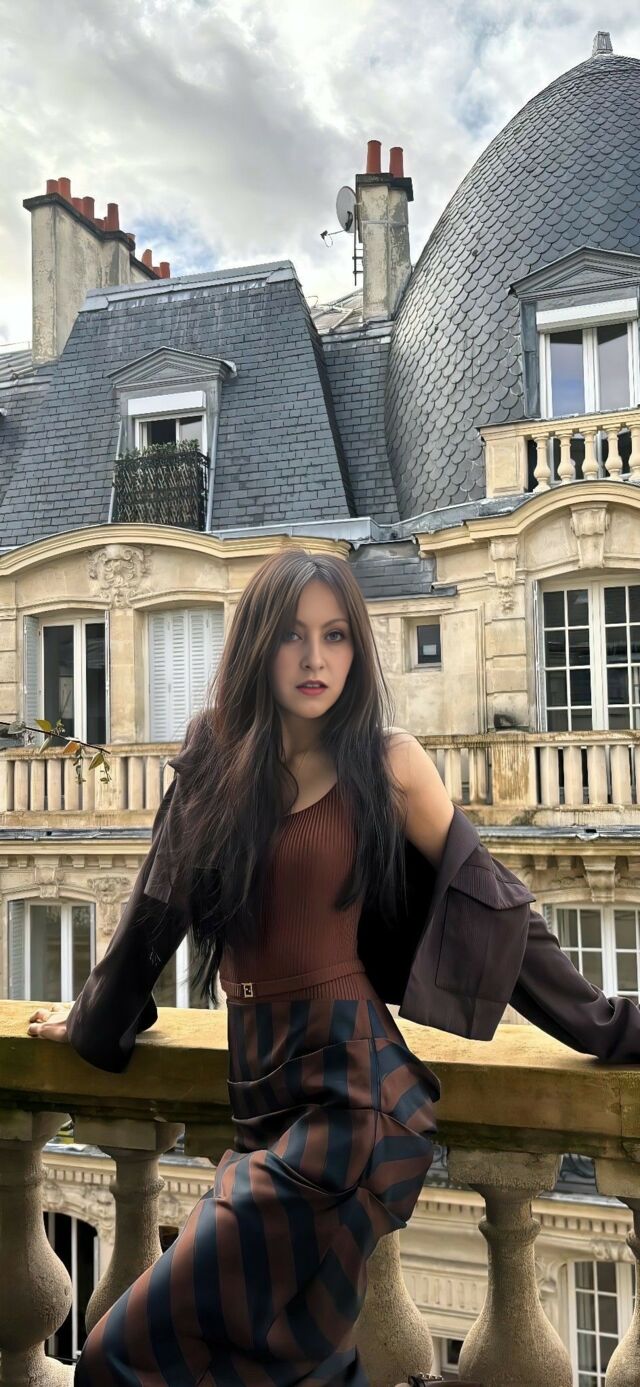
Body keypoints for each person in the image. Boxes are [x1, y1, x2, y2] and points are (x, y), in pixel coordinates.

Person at [27, 548, 640, 1386]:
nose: (315, 658)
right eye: (293, 634)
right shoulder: (213, 753)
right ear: (258, 643)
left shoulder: (387, 762)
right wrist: (99, 1013)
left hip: (354, 1097)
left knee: (118, 1352)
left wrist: (612, 1025)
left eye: (336, 635)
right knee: (283, 1361)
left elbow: (498, 909)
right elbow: (157, 907)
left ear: (357, 647)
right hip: (259, 1090)